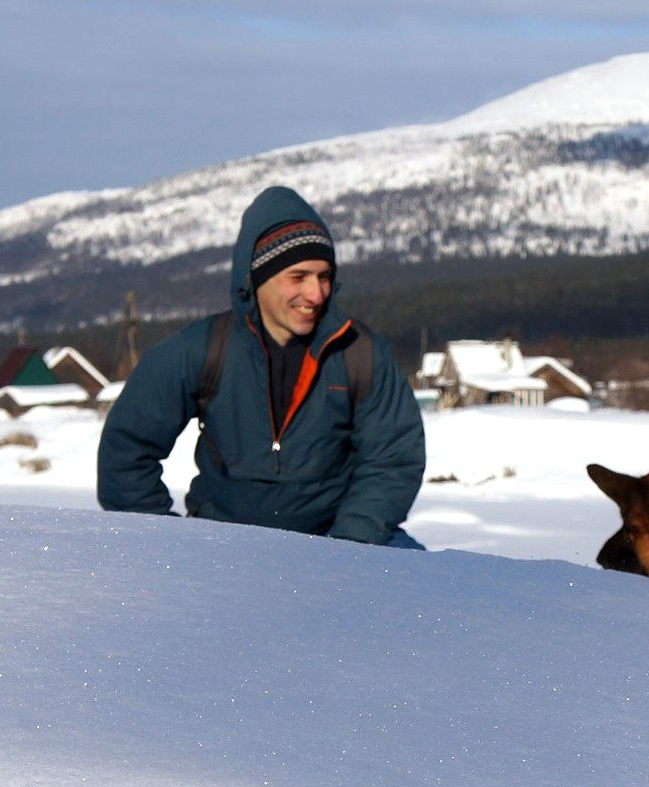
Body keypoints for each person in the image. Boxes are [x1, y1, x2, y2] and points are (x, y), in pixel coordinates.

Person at [98, 185, 426, 545]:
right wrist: (172, 543)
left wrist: (348, 549)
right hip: (220, 544)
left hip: (334, 540)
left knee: (429, 585)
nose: (316, 294)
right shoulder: (202, 349)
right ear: (256, 278)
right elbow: (126, 452)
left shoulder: (359, 352)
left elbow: (392, 460)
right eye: (298, 277)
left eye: (324, 276)